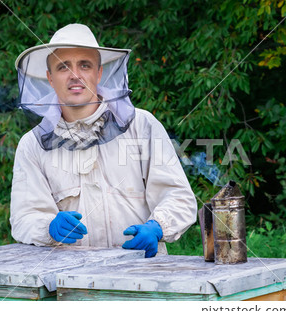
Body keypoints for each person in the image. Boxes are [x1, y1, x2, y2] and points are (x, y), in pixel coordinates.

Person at [10, 23, 197, 258]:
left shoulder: (141, 126)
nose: (75, 75)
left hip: (144, 274)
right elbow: (23, 218)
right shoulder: (32, 146)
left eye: (84, 65)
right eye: (63, 67)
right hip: (70, 278)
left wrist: (158, 227)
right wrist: (48, 227)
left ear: (99, 73)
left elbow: (179, 197)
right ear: (50, 77)